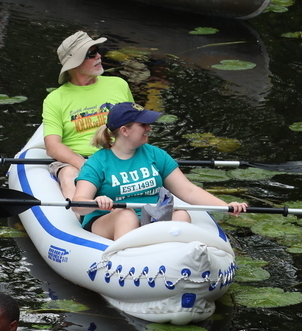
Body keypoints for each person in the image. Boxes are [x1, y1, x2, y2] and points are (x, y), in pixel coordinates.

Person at [73, 102, 248, 241]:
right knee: (126, 215)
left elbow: (188, 190)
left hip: (151, 219)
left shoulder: (156, 154)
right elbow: (78, 204)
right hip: (109, 221)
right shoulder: (97, 162)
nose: (149, 128)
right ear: (124, 131)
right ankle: (127, 261)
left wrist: (225, 206)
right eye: (143, 124)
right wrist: (96, 200)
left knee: (181, 215)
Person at [41, 31, 134, 200]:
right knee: (69, 173)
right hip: (77, 160)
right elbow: (53, 146)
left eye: (97, 50)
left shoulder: (119, 84)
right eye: (91, 54)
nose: (99, 56)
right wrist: (85, 165)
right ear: (74, 64)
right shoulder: (55, 99)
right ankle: (80, 221)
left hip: (118, 154)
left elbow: (135, 126)